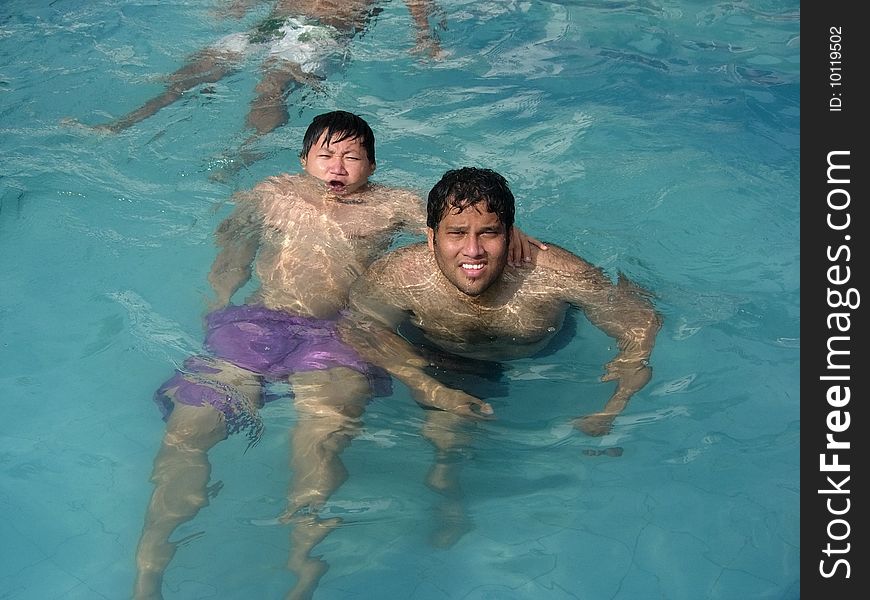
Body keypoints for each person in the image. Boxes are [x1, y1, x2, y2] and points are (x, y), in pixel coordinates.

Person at [134, 113, 545, 600]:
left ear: (372, 165)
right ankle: (150, 569)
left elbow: (458, 230)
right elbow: (235, 241)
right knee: (190, 430)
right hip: (259, 322)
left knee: (321, 440)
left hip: (340, 332)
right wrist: (218, 298)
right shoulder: (274, 194)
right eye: (326, 155)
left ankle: (303, 568)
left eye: (352, 157)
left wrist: (515, 232)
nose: (338, 167)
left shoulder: (392, 204)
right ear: (303, 159)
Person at [341, 166, 662, 544]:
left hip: (540, 355)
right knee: (445, 431)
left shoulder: (555, 273)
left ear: (510, 236)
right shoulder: (400, 276)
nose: (473, 250)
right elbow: (357, 327)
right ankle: (448, 487)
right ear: (431, 238)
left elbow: (639, 322)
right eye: (456, 233)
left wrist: (613, 406)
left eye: (489, 233)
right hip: (440, 355)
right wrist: (424, 384)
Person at [88, 0, 445, 171]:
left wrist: (425, 36)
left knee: (270, 87)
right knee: (192, 73)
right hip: (273, 27)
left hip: (320, 37)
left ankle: (246, 150)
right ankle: (119, 125)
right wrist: (238, 8)